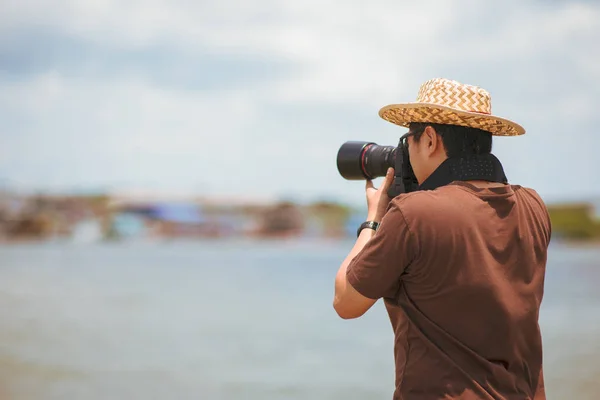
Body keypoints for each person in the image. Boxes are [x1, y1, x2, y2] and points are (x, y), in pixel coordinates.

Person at [332, 78, 551, 399]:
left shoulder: (414, 214)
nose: (404, 152)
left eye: (409, 141)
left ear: (431, 139)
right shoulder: (533, 206)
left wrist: (374, 219)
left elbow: (346, 301)